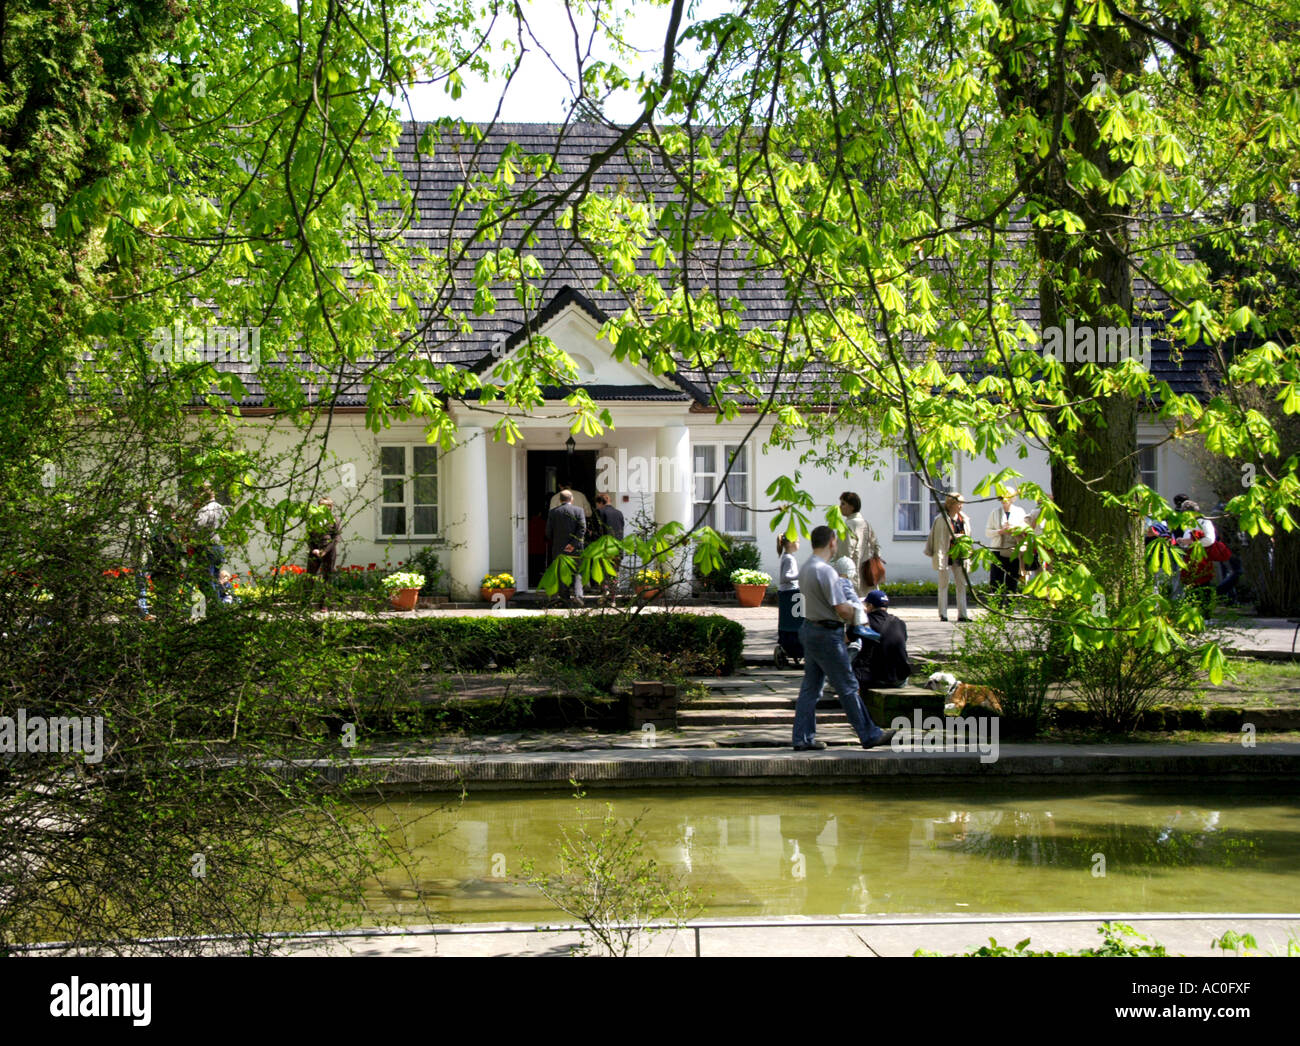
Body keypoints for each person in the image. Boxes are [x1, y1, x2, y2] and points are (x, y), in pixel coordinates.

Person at [791, 525, 895, 752]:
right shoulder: (826, 571)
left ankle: (802, 738)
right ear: (831, 542)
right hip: (827, 633)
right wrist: (858, 613)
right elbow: (841, 609)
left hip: (809, 628)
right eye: (836, 541)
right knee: (847, 685)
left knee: (811, 687)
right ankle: (869, 734)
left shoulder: (806, 567)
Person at [925, 491, 972, 621]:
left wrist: (963, 538)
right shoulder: (942, 519)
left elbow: (968, 536)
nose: (961, 506)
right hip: (946, 555)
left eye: (962, 503)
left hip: (960, 555)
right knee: (943, 584)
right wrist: (952, 537)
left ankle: (962, 614)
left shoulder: (964, 519)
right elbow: (939, 539)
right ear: (952, 504)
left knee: (961, 585)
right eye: (959, 503)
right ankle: (943, 614)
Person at [862, 589, 912, 688]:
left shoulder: (866, 622)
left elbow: (846, 640)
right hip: (900, 679)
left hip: (876, 679)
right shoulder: (900, 622)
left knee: (853, 647)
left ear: (870, 606)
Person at [193, 483, 233, 604]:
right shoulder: (222, 508)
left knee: (207, 581)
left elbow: (196, 527)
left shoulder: (204, 510)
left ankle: (213, 606)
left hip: (207, 547)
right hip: (218, 546)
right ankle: (218, 606)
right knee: (215, 579)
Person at [832, 555, 879, 659]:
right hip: (844, 612)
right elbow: (851, 596)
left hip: (834, 614)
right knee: (859, 610)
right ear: (850, 571)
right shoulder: (845, 581)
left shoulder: (833, 581)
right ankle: (861, 630)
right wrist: (860, 604)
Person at [545, 489, 586, 604]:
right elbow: (582, 529)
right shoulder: (579, 511)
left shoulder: (553, 512)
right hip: (576, 548)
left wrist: (559, 542)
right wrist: (572, 544)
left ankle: (565, 598)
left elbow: (548, 532)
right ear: (571, 499)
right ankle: (578, 595)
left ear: (560, 500)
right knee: (577, 571)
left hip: (559, 547)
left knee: (562, 572)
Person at [985, 488, 1029, 592]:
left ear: (1013, 498)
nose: (1005, 500)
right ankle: (996, 604)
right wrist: (1000, 531)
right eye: (1003, 497)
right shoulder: (995, 512)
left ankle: (1010, 604)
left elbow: (1025, 529)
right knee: (996, 580)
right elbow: (987, 532)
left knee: (1012, 579)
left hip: (1013, 550)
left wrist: (1014, 529)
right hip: (997, 550)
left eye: (1008, 497)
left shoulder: (1019, 511)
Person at [839, 492, 879, 594]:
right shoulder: (866, 524)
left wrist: (841, 576)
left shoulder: (848, 525)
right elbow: (877, 548)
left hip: (852, 575)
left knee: (853, 606)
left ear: (852, 506)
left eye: (843, 504)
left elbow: (846, 553)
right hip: (868, 573)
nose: (840, 507)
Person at [307, 497, 342, 609]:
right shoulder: (313, 519)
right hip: (315, 550)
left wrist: (325, 551)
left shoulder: (335, 519)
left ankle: (324, 604)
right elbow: (308, 536)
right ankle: (305, 602)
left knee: (327, 577)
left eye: (326, 505)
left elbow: (336, 537)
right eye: (321, 505)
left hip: (329, 551)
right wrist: (314, 549)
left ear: (330, 507)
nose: (323, 508)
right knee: (310, 576)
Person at [589, 492, 625, 601]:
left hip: (603, 548)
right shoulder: (619, 513)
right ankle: (613, 597)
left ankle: (605, 595)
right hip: (617, 547)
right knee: (614, 572)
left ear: (600, 502)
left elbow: (595, 532)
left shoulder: (598, 512)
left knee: (603, 572)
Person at [775, 535, 804, 667]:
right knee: (797, 619)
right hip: (791, 592)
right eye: (797, 542)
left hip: (788, 591)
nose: (799, 544)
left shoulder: (787, 557)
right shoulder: (789, 559)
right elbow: (786, 577)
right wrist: (801, 575)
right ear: (791, 543)